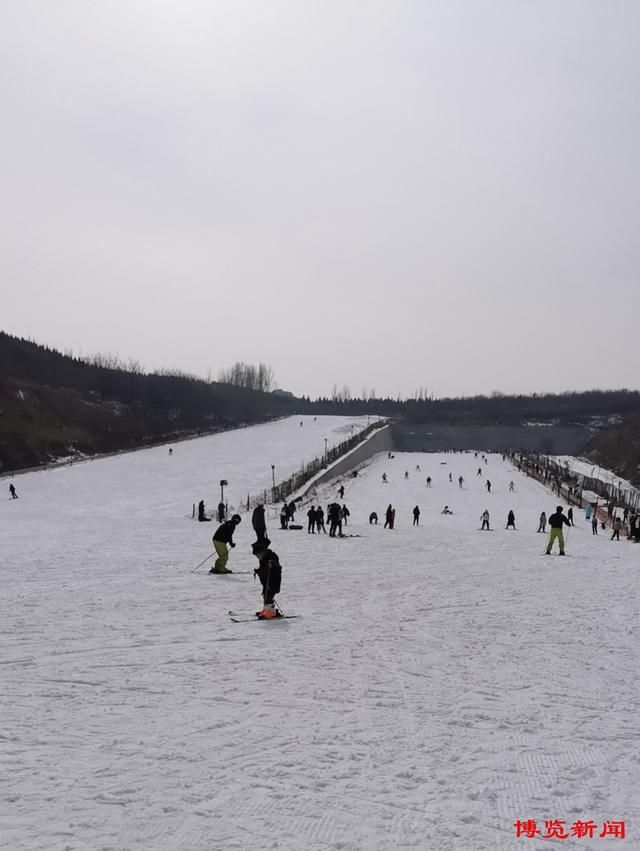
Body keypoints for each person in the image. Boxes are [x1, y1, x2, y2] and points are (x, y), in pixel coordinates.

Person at [252, 539, 282, 619]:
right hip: (266, 581)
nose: (258, 557)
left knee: (269, 596)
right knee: (265, 596)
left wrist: (272, 564)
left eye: (258, 555)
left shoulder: (272, 556)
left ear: (263, 552)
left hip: (273, 581)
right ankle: (266, 610)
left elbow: (276, 566)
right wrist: (258, 571)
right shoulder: (262, 559)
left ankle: (271, 613)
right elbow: (263, 569)